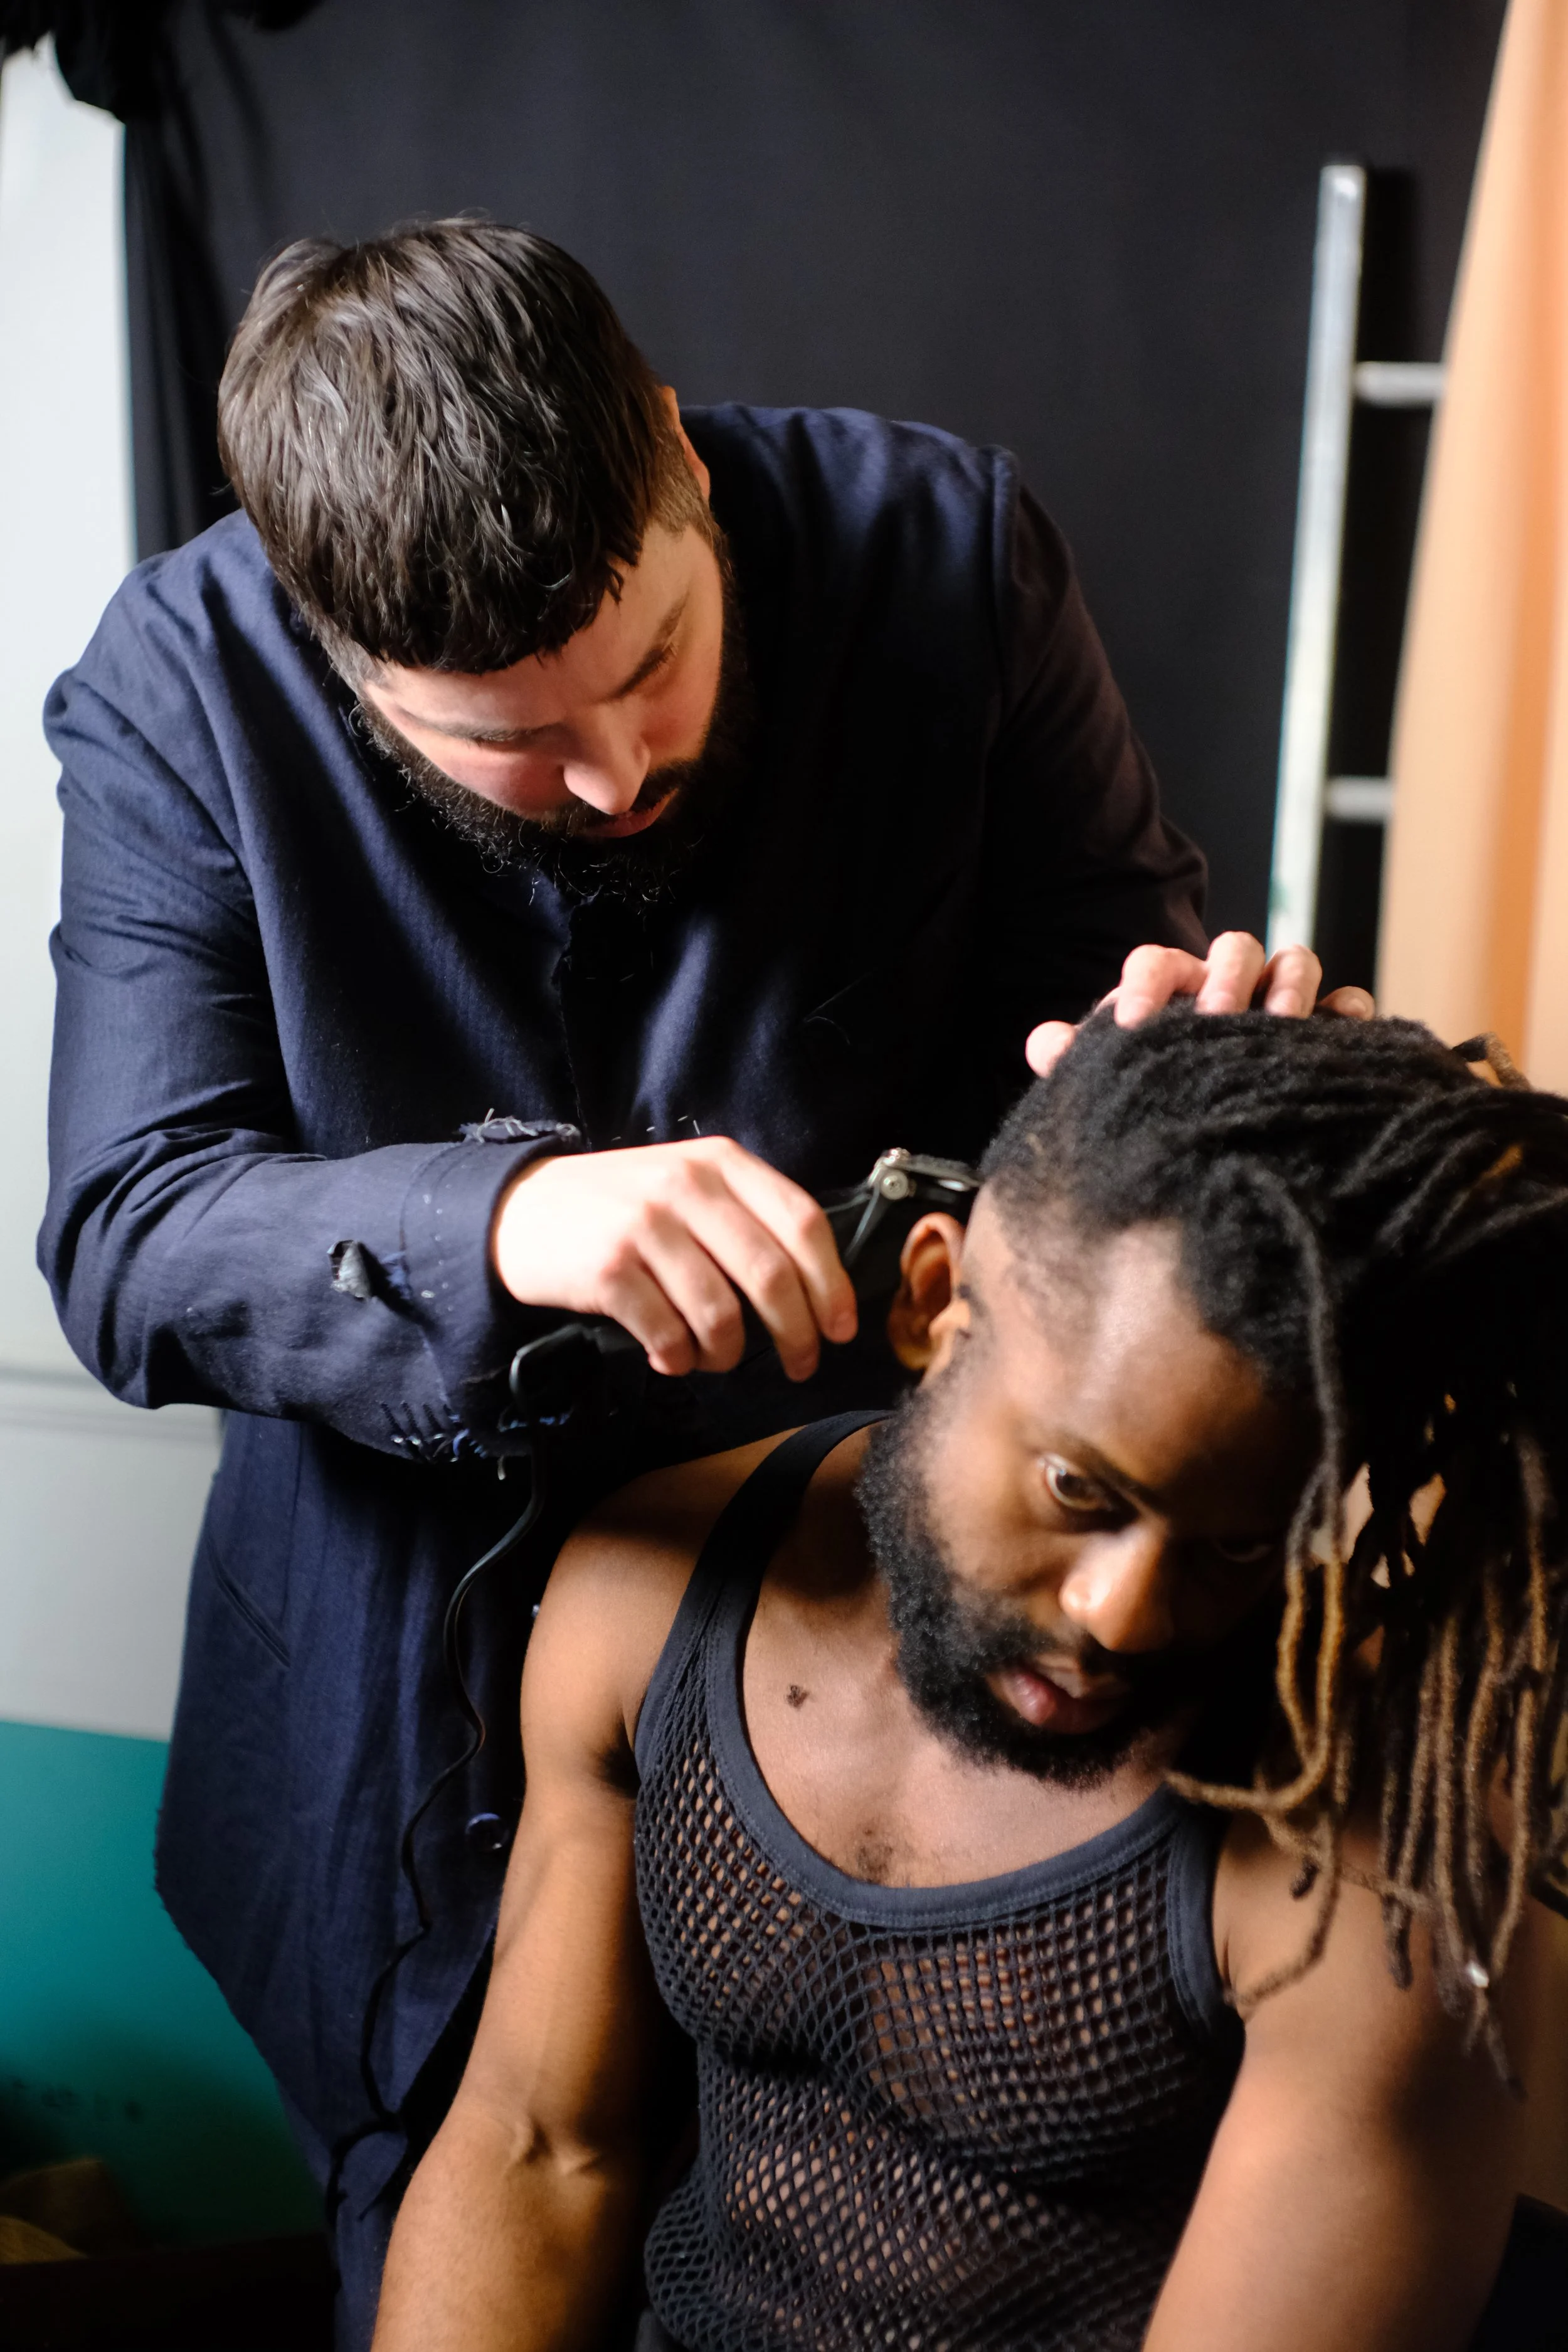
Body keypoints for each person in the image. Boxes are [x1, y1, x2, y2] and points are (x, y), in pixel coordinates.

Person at [38, 220, 1360, 2336]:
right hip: (400, 1751)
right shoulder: (180, 688)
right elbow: (128, 1232)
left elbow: (1094, 1065)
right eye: (508, 747)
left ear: (672, 451)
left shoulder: (952, 560)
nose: (617, 776)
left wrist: (1203, 1064)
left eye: (652, 664)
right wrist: (502, 1228)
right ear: (322, 637)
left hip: (872, 1673)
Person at [372, 1008, 1568, 2352]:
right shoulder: (647, 1600)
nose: (1124, 1615)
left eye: (1240, 1539)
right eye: (1078, 1488)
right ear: (932, 1303)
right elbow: (538, 2154)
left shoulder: (1364, 1842)